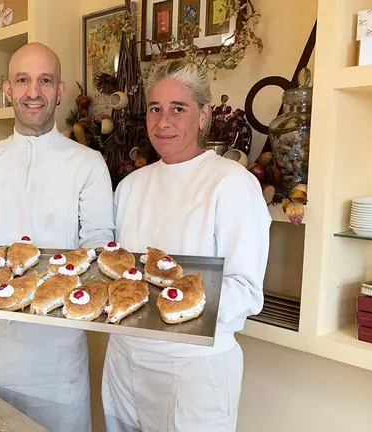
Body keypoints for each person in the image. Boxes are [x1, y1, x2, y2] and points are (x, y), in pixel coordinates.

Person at [0, 42, 114, 432]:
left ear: (60, 90)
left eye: (44, 81)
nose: (33, 92)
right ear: (7, 89)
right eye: (23, 80)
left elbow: (100, 244)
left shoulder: (87, 163)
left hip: (56, 359)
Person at [102, 60, 271, 432]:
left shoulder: (231, 184)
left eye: (178, 108)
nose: (163, 122)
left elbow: (246, 291)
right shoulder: (131, 186)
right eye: (155, 109)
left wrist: (175, 303)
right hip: (124, 359)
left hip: (192, 368)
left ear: (203, 115)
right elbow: (118, 268)